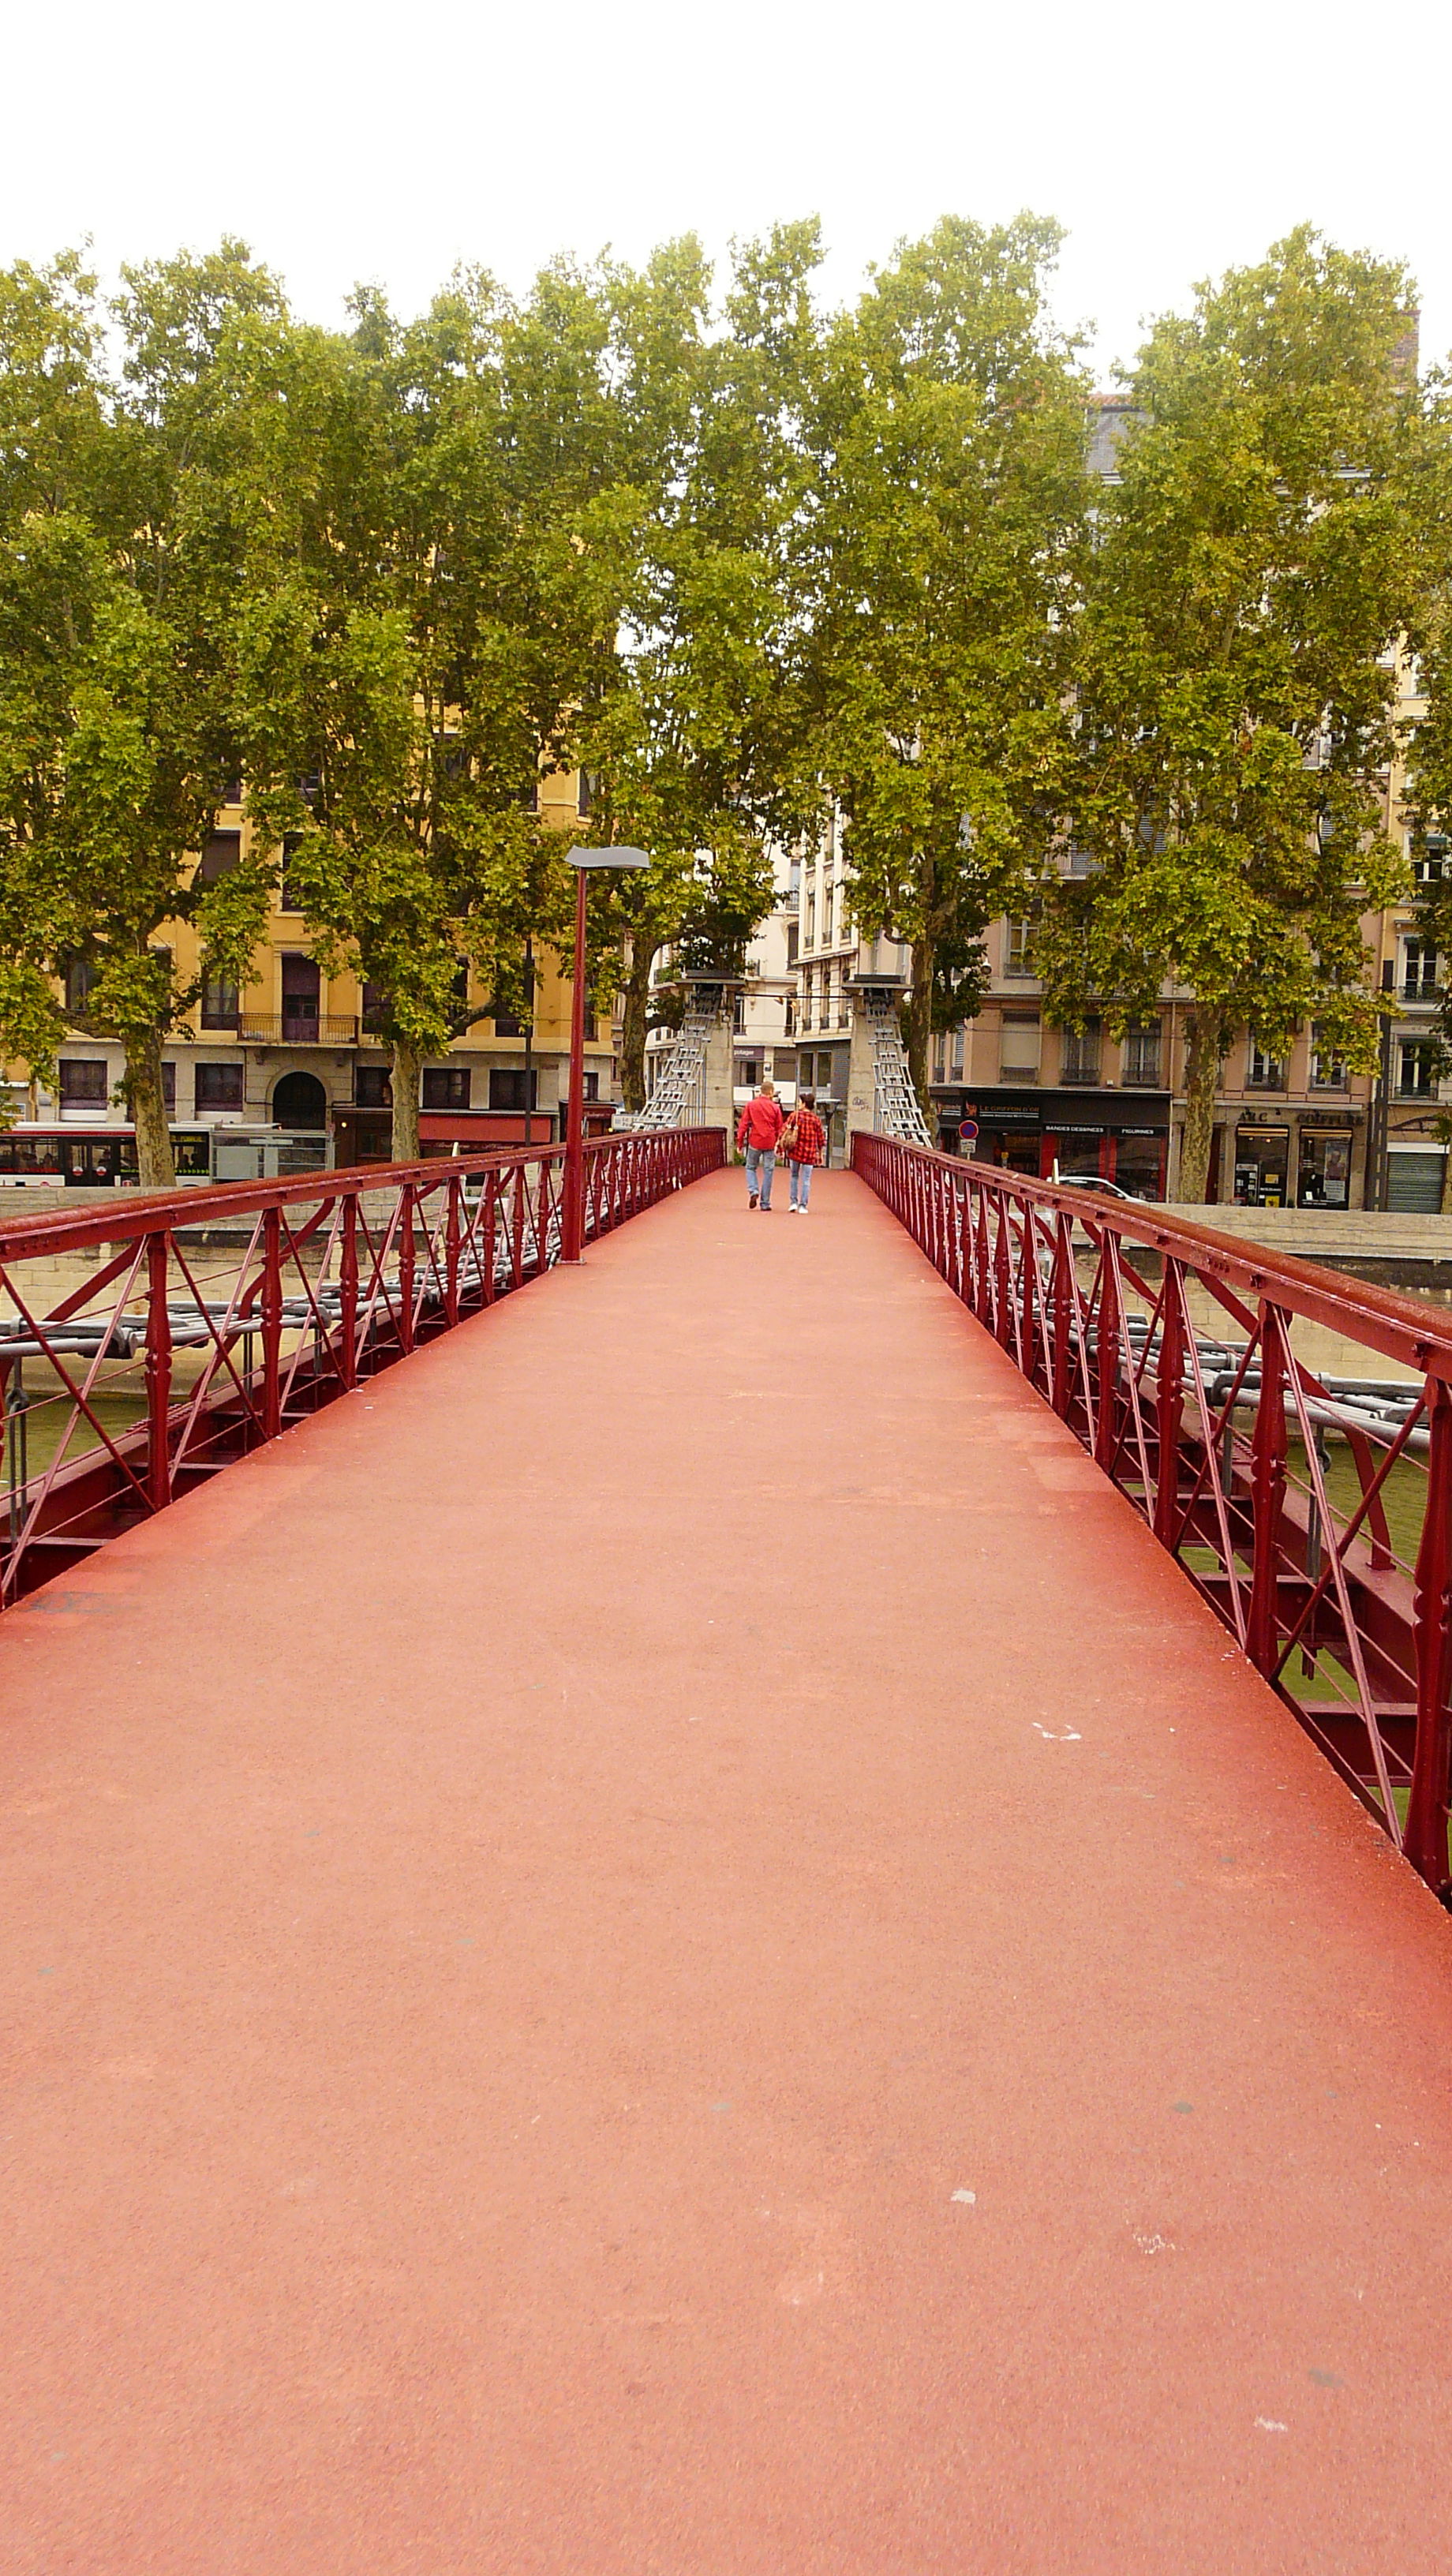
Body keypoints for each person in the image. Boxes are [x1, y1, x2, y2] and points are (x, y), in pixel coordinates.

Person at [735, 1079, 784, 1210]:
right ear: (771, 1092)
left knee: (751, 1167)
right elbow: (780, 1127)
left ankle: (753, 1190)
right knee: (768, 1171)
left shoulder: (751, 1105)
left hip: (755, 1141)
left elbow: (744, 1125)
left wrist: (740, 1142)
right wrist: (780, 1146)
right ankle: (765, 1203)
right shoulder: (775, 1107)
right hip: (770, 1141)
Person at [780, 1090, 826, 1213]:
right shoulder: (816, 1119)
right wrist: (820, 1153)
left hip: (795, 1152)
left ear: (804, 1104)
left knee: (794, 1176)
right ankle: (803, 1205)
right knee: (806, 1180)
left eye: (800, 1102)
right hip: (809, 1154)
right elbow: (821, 1138)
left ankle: (793, 1202)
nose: (799, 1104)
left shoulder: (795, 1116)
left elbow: (784, 1130)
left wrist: (780, 1146)